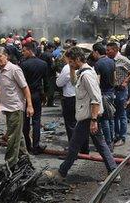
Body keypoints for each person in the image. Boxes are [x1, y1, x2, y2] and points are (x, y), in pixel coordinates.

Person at [43, 47, 118, 182]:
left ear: (77, 59)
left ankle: (62, 172)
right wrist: (71, 68)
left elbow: (96, 98)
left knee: (75, 146)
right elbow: (73, 82)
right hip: (88, 116)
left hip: (89, 117)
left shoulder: (87, 74)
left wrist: (94, 120)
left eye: (71, 62)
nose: (69, 64)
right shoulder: (82, 73)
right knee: (98, 145)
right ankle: (113, 172)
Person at [0, 47, 33, 168]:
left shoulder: (14, 69)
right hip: (8, 108)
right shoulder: (1, 71)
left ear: (7, 56)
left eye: (0, 57)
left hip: (15, 108)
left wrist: (29, 106)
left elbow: (25, 87)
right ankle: (26, 162)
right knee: (18, 136)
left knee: (12, 137)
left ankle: (10, 164)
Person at [18, 42, 48, 154]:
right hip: (37, 94)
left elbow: (21, 83)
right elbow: (46, 82)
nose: (22, 53)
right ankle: (36, 146)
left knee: (26, 121)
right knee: (36, 120)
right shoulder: (43, 64)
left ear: (30, 50)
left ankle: (27, 145)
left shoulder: (23, 65)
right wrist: (44, 95)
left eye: (24, 51)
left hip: (26, 95)